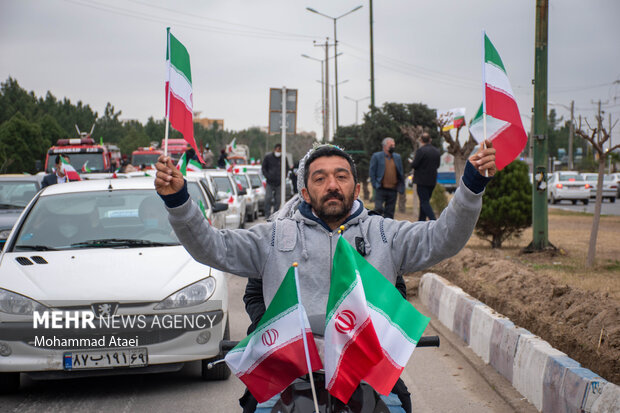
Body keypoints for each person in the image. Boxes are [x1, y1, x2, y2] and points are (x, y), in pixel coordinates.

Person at [154, 142, 496, 412]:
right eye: (320, 178)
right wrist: (179, 201)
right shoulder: (272, 237)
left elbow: (444, 237)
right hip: (286, 378)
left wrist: (471, 185)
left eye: (341, 176)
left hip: (370, 380)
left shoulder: (386, 234)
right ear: (305, 192)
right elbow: (212, 247)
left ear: (357, 188)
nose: (332, 185)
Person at [369, 137, 405, 219]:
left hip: (393, 189)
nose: (393, 147)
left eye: (394, 145)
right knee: (378, 209)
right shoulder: (376, 156)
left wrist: (400, 186)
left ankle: (387, 229)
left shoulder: (397, 157)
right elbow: (372, 171)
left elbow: (400, 172)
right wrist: (374, 184)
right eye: (391, 145)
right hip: (380, 188)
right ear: (384, 146)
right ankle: (375, 226)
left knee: (390, 212)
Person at [411, 133, 441, 221]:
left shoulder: (421, 151)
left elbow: (415, 164)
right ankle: (421, 222)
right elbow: (438, 165)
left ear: (421, 140)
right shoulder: (436, 151)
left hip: (421, 180)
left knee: (424, 202)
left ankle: (433, 220)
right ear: (430, 140)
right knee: (424, 202)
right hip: (432, 180)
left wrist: (412, 163)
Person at [261, 143, 290, 216]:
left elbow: (287, 168)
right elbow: (264, 168)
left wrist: (284, 177)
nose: (278, 151)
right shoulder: (268, 157)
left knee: (278, 199)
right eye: (277, 149)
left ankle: (275, 214)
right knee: (268, 198)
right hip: (270, 182)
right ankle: (267, 214)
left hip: (279, 182)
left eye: (280, 150)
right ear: (274, 149)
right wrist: (267, 176)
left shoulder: (283, 158)